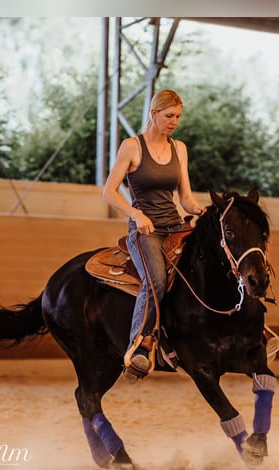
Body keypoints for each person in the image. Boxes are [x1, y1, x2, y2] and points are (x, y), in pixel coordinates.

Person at [102, 89, 204, 381]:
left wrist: (199, 210)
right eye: (169, 116)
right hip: (144, 228)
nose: (174, 122)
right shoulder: (132, 147)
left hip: (174, 224)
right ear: (154, 114)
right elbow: (109, 192)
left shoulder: (179, 148)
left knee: (204, 267)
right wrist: (136, 214)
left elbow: (185, 197)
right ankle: (137, 347)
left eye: (178, 117)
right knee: (156, 281)